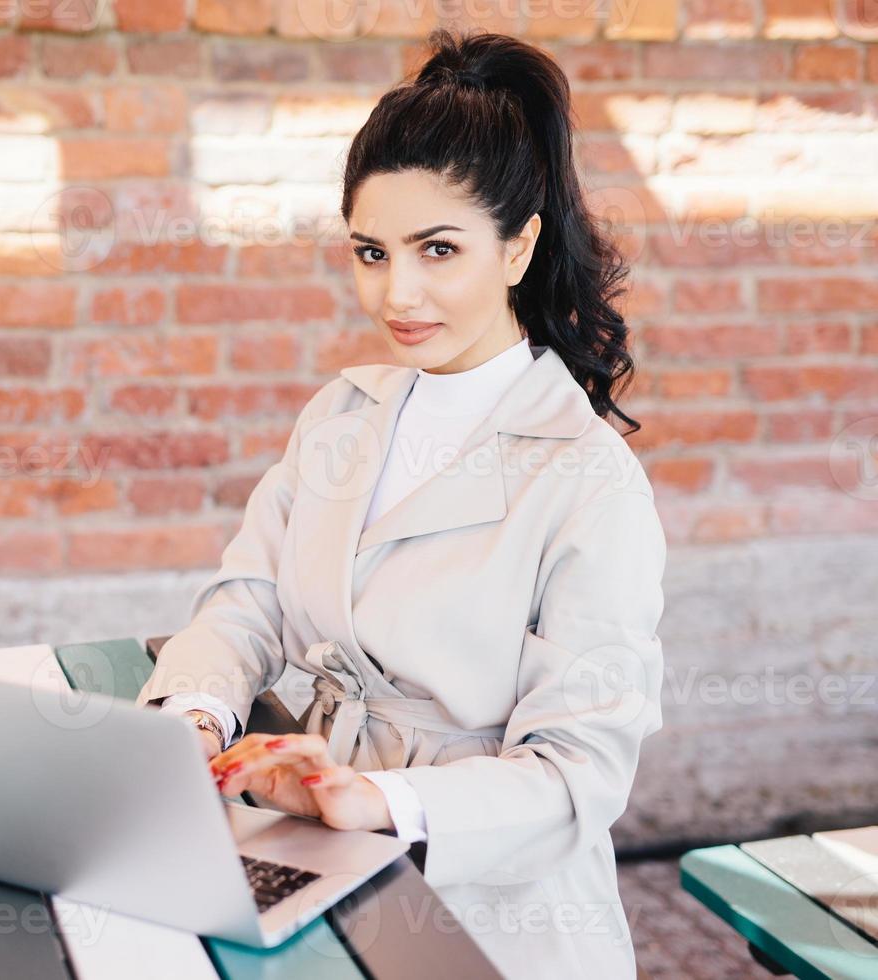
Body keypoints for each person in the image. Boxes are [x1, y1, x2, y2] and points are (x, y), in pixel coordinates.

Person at [136, 27, 665, 980]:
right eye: (370, 252)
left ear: (518, 248)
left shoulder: (587, 481)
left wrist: (377, 801)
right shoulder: (341, 414)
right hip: (310, 850)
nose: (398, 294)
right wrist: (196, 712)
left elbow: (576, 776)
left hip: (494, 910)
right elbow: (247, 598)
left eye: (437, 250)